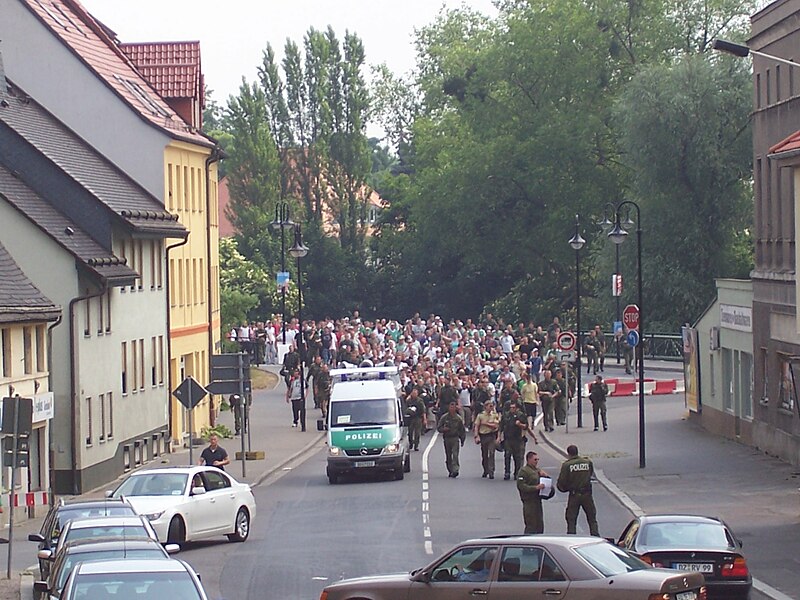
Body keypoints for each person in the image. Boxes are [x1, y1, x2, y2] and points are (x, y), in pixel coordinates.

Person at [556, 444, 599, 536]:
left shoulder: (567, 465)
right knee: (592, 518)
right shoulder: (587, 462)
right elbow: (590, 474)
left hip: (574, 495)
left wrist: (565, 488)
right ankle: (595, 536)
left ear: (568, 453)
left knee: (571, 519)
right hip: (587, 494)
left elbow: (562, 482)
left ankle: (572, 538)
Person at [516, 451, 549, 534]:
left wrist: (546, 476)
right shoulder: (524, 471)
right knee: (531, 525)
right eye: (535, 459)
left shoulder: (538, 471)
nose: (536, 461)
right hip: (529, 502)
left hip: (538, 501)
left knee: (539, 525)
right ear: (529, 459)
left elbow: (548, 484)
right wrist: (536, 488)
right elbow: (521, 486)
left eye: (537, 459)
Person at [437, 400, 466, 477]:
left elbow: (462, 430)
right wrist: (444, 429)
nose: (452, 408)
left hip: (455, 438)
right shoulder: (444, 417)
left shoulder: (458, 418)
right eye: (451, 407)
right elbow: (439, 428)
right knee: (448, 455)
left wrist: (462, 439)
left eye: (454, 407)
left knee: (455, 455)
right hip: (447, 438)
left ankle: (455, 470)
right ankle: (450, 470)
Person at [500, 400, 527, 480]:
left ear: (516, 408)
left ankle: (517, 472)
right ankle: (507, 472)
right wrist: (499, 437)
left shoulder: (520, 415)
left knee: (517, 457)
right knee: (507, 456)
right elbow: (501, 426)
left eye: (513, 407)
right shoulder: (506, 415)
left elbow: (526, 426)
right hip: (508, 438)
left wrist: (520, 424)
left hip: (517, 438)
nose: (512, 409)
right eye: (510, 407)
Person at [473, 399, 500, 478]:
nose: (491, 408)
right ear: (485, 407)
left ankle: (491, 471)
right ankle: (486, 469)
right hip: (483, 436)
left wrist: (486, 424)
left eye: (492, 406)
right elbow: (477, 426)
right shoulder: (480, 415)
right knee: (484, 454)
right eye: (490, 406)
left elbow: (496, 426)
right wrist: (476, 436)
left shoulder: (494, 415)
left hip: (491, 436)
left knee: (491, 453)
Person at [404, 387, 427, 451]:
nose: (414, 394)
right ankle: (411, 443)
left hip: (418, 418)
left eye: (415, 393)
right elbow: (405, 408)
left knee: (417, 433)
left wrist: (424, 419)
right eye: (413, 393)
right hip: (410, 418)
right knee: (410, 432)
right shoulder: (409, 400)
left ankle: (416, 445)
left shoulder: (419, 401)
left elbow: (423, 410)